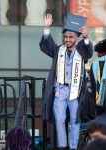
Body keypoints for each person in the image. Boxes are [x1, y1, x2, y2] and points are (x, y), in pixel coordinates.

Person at [39, 13, 93, 150]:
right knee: (59, 120)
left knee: (75, 121)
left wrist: (86, 37)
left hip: (74, 92)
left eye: (71, 37)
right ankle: (63, 146)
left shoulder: (81, 52)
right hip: (60, 91)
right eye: (66, 37)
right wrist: (46, 28)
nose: (67, 39)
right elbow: (47, 44)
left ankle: (73, 147)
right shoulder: (59, 50)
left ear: (76, 38)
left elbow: (89, 52)